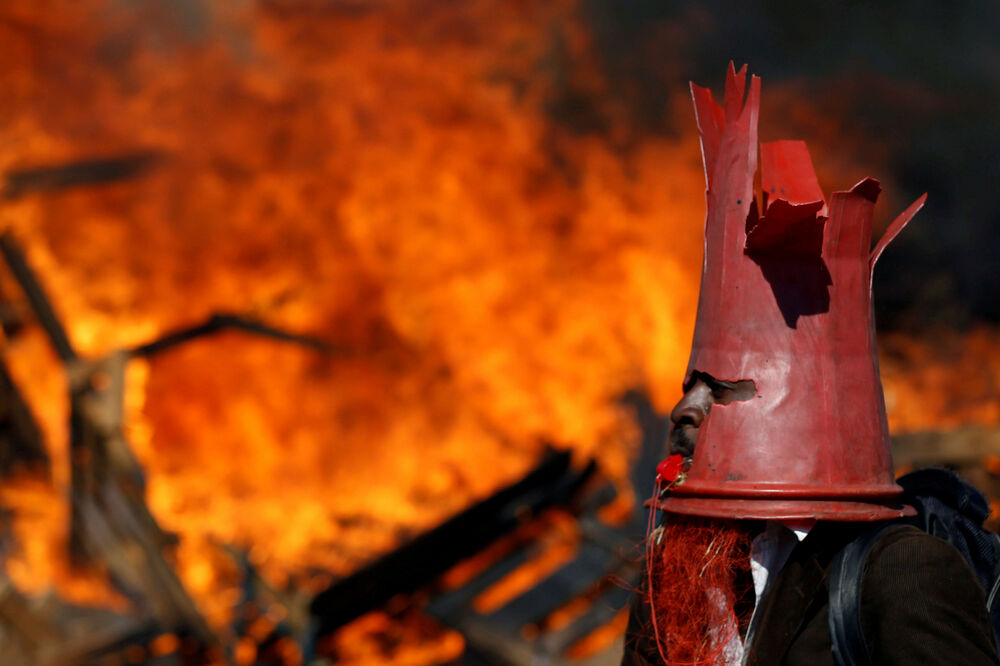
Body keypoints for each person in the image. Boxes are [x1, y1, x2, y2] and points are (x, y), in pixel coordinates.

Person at [621, 64, 1000, 666]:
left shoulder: (900, 571)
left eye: (717, 391)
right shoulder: (674, 572)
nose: (683, 411)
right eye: (690, 386)